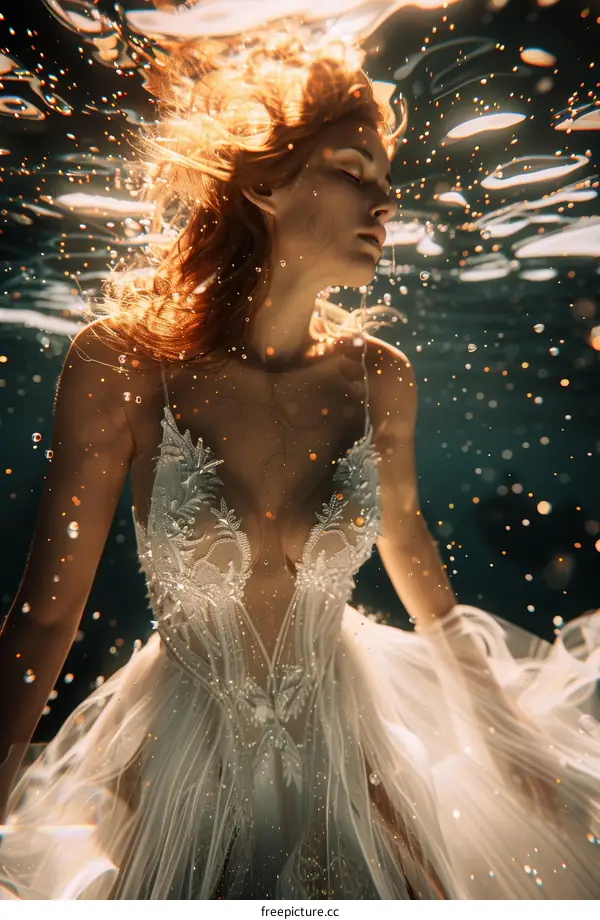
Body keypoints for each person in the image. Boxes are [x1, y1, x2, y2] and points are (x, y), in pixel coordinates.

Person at [0, 34, 598, 900]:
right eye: (356, 169)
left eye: (386, 177)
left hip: (352, 739)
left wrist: (507, 737)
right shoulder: (124, 366)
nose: (386, 197)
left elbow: (411, 549)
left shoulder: (378, 379)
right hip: (179, 756)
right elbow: (44, 621)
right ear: (264, 182)